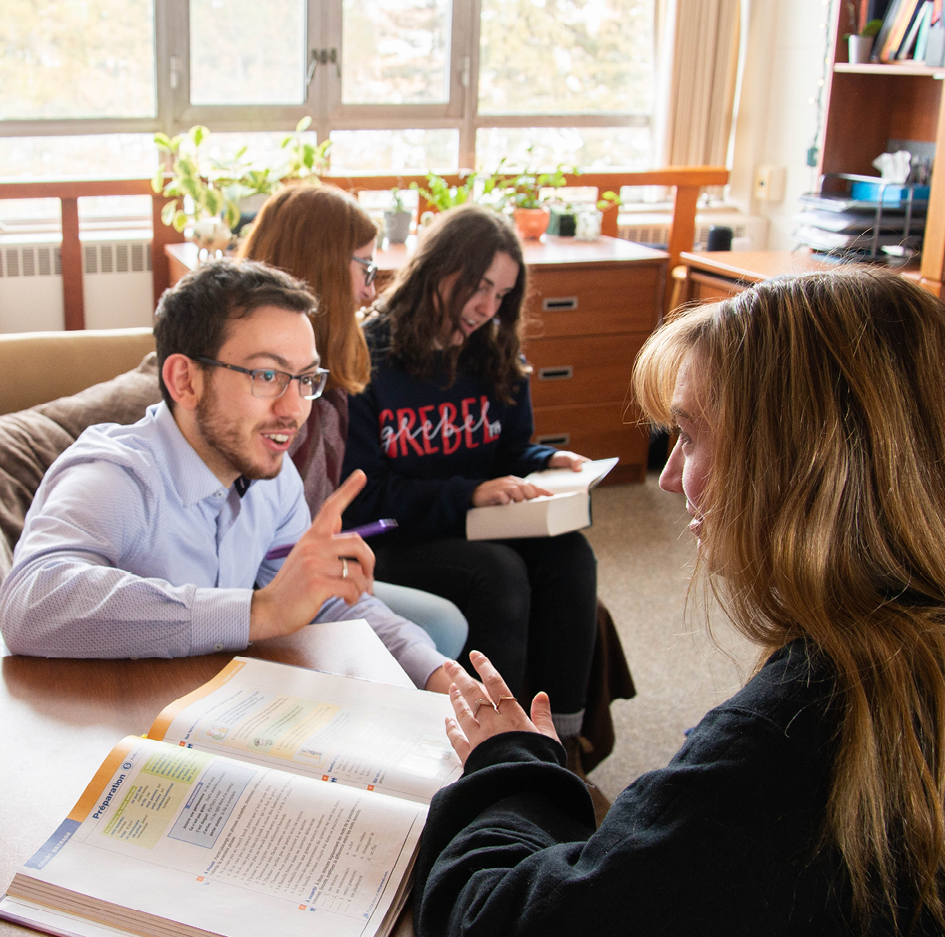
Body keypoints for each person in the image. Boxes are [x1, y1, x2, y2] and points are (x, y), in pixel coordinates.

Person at [411, 269, 945, 937]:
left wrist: (512, 765)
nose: (668, 479)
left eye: (689, 436)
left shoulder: (795, 736)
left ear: (791, 459)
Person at [0, 259, 453, 693]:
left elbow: (325, 603)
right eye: (267, 374)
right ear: (185, 381)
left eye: (305, 378)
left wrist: (434, 673)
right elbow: (30, 606)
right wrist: (258, 612)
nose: (294, 410)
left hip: (212, 722)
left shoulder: (272, 477)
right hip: (104, 731)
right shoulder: (116, 476)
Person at [341, 203, 599, 777]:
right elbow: (361, 497)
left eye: (503, 294)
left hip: (476, 517)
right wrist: (467, 494)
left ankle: (562, 744)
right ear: (437, 269)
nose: (488, 307)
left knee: (570, 558)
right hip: (398, 536)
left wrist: (545, 459)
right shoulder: (369, 357)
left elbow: (505, 454)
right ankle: (490, 758)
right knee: (499, 573)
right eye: (478, 287)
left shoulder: (494, 350)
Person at [239, 182, 468, 658]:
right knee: (445, 623)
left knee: (442, 628)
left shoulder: (332, 389)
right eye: (364, 267)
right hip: (247, 595)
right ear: (319, 268)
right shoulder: (239, 392)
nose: (370, 290)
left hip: (302, 574)